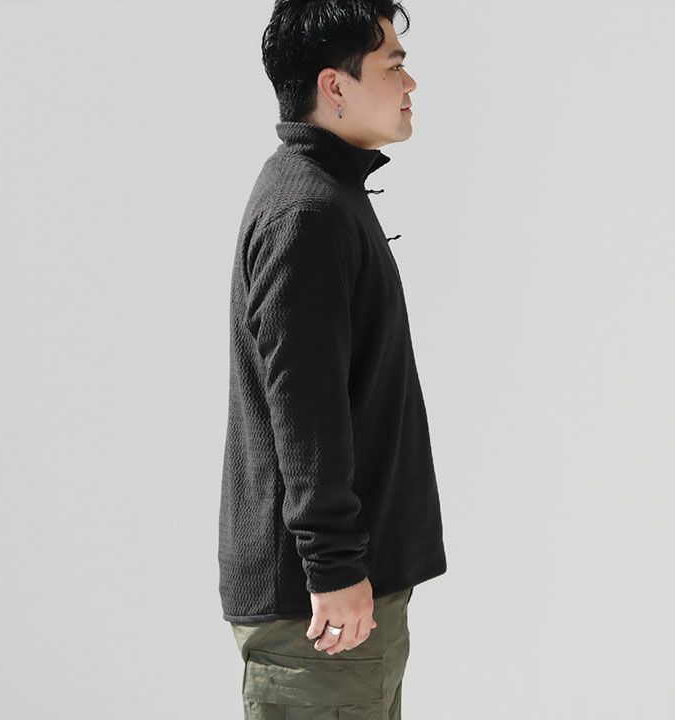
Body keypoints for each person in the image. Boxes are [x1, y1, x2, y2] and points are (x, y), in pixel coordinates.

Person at [218, 1, 447, 716]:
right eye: (394, 65)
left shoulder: (326, 194)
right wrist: (334, 565)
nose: (411, 84)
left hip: (335, 596)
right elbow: (305, 407)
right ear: (334, 86)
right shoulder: (308, 213)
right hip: (320, 610)